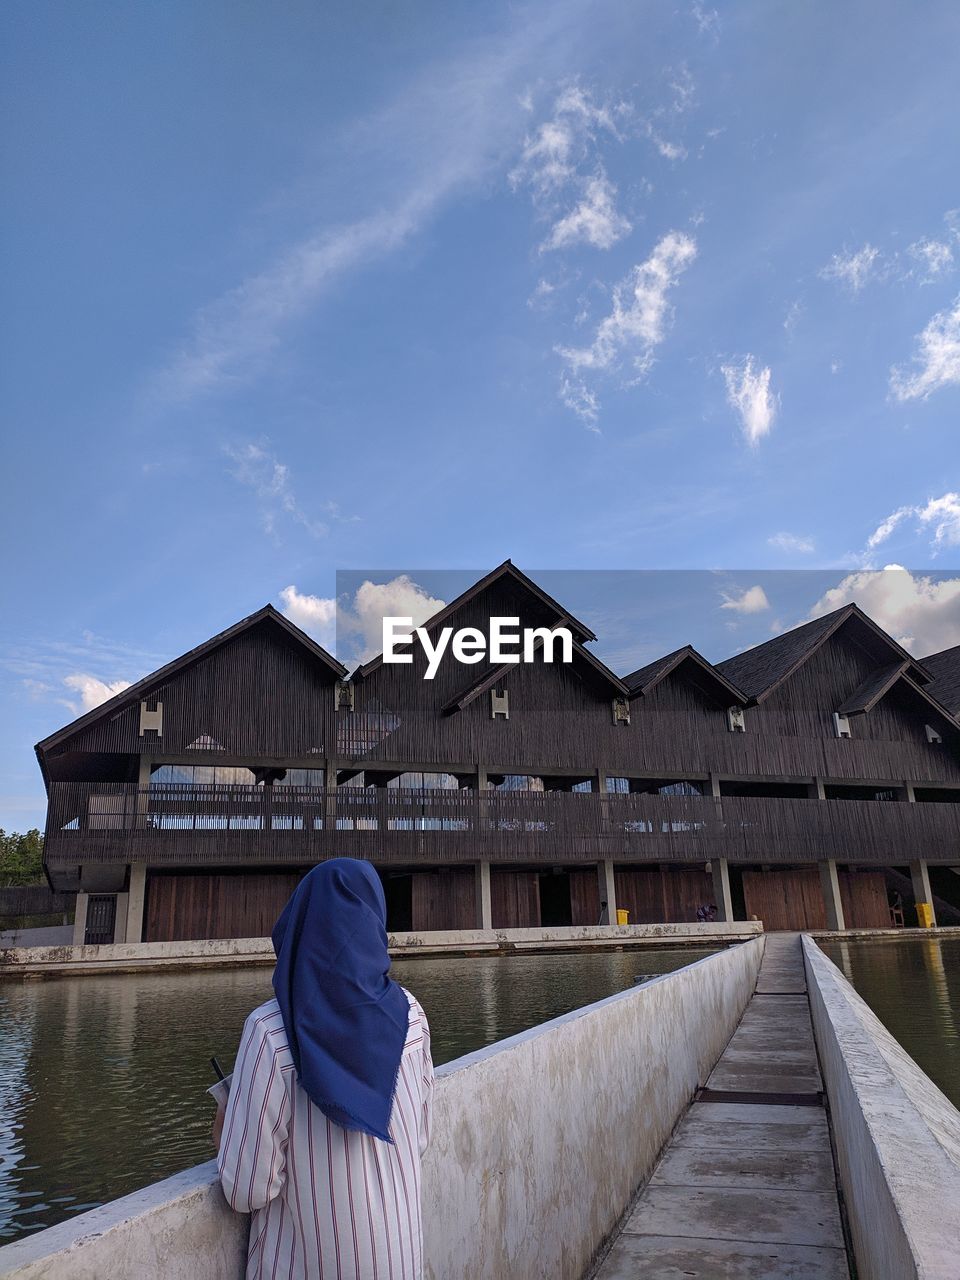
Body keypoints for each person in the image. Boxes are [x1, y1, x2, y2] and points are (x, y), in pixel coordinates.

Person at [214, 858, 434, 1280]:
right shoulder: (411, 1017)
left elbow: (246, 1190)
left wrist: (227, 1125)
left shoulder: (271, 1033)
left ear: (299, 924)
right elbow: (420, 1138)